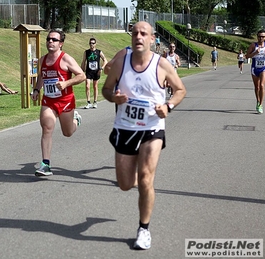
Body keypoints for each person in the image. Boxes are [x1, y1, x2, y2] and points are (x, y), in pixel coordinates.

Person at [102, 21, 186, 250]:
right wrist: (114, 97)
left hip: (152, 128)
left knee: (147, 178)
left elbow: (180, 90)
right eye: (135, 33)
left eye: (143, 33)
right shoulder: (120, 62)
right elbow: (106, 89)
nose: (138, 36)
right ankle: (137, 175)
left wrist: (168, 107)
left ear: (152, 39)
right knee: (125, 184)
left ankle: (144, 229)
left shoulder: (162, 65)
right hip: (125, 128)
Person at [31, 29, 86, 176]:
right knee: (47, 127)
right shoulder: (42, 60)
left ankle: (76, 120)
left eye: (54, 40)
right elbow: (42, 77)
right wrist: (36, 90)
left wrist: (67, 83)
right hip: (49, 100)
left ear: (61, 44)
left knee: (67, 133)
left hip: (65, 100)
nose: (50, 42)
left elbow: (82, 75)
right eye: (48, 39)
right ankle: (45, 164)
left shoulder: (65, 59)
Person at [80, 38, 108, 109]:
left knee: (95, 86)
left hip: (96, 71)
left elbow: (105, 60)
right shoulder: (86, 52)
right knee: (87, 86)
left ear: (95, 44)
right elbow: (83, 61)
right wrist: (81, 70)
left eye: (92, 43)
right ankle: (88, 102)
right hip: (88, 71)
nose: (91, 44)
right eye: (90, 43)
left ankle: (95, 102)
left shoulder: (99, 52)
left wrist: (101, 68)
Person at [245, 29, 265, 114]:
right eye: (259, 36)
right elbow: (246, 56)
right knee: (257, 87)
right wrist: (255, 53)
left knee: (262, 85)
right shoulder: (253, 45)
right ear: (257, 37)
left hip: (263, 68)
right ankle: (258, 101)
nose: (261, 38)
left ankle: (261, 104)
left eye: (263, 37)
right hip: (254, 68)